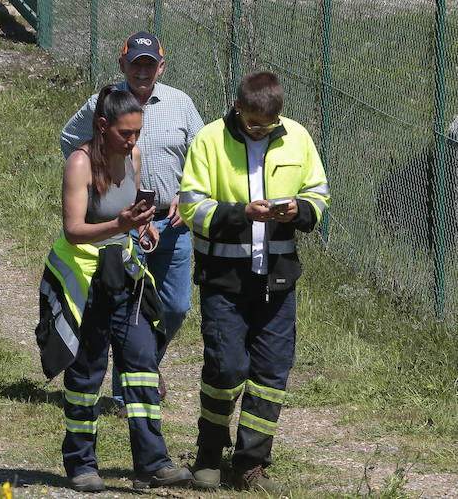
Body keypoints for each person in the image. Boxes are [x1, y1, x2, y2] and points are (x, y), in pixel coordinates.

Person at [179, 71, 329, 494]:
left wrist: (298, 210)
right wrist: (241, 213)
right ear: (237, 106)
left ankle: (251, 464)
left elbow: (319, 194)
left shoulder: (298, 138)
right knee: (226, 368)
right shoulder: (209, 140)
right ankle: (209, 453)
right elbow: (192, 205)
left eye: (268, 124)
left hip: (278, 279)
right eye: (253, 123)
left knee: (270, 373)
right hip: (224, 280)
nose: (261, 130)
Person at [37, 85, 192, 494]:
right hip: (85, 281)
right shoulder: (80, 163)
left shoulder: (133, 156)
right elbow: (74, 232)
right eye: (125, 133)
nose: (133, 142)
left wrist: (142, 230)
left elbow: (131, 217)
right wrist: (121, 226)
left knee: (142, 363)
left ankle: (152, 465)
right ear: (103, 126)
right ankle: (82, 464)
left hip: (124, 275)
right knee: (87, 372)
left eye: (137, 133)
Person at [60, 32, 204, 415]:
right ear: (122, 65)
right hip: (120, 226)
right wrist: (98, 184)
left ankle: (144, 365)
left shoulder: (180, 104)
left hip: (172, 223)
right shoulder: (101, 103)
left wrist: (187, 193)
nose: (142, 71)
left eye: (149, 64)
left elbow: (204, 155)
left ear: (161, 66)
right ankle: (129, 390)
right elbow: (69, 140)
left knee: (175, 306)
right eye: (134, 63)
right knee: (129, 309)